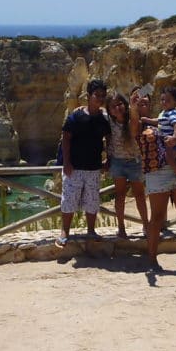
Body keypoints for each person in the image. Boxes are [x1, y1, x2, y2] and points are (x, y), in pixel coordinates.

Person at [131, 88, 176, 269]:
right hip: (157, 172)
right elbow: (134, 127)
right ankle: (152, 259)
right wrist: (133, 108)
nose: (142, 104)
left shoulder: (167, 117)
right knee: (157, 218)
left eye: (145, 102)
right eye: (138, 102)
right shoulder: (139, 123)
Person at [59, 78, 109, 245]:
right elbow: (66, 139)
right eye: (97, 95)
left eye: (103, 95)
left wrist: (108, 159)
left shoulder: (103, 119)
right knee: (69, 200)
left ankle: (91, 230)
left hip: (93, 168)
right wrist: (66, 163)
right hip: (74, 167)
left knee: (92, 201)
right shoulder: (76, 116)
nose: (100, 98)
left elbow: (109, 139)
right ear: (88, 96)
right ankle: (64, 231)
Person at [104, 89, 148, 241]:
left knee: (140, 195)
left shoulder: (133, 118)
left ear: (125, 104)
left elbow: (134, 127)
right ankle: (121, 228)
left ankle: (146, 225)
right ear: (109, 110)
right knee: (120, 196)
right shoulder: (109, 121)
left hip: (135, 162)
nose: (117, 108)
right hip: (117, 162)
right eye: (113, 106)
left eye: (120, 104)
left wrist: (134, 102)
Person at [144, 84, 176, 182]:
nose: (164, 102)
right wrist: (148, 120)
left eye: (167, 100)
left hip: (173, 142)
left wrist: (175, 137)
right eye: (162, 100)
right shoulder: (164, 113)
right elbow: (158, 121)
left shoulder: (171, 113)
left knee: (169, 158)